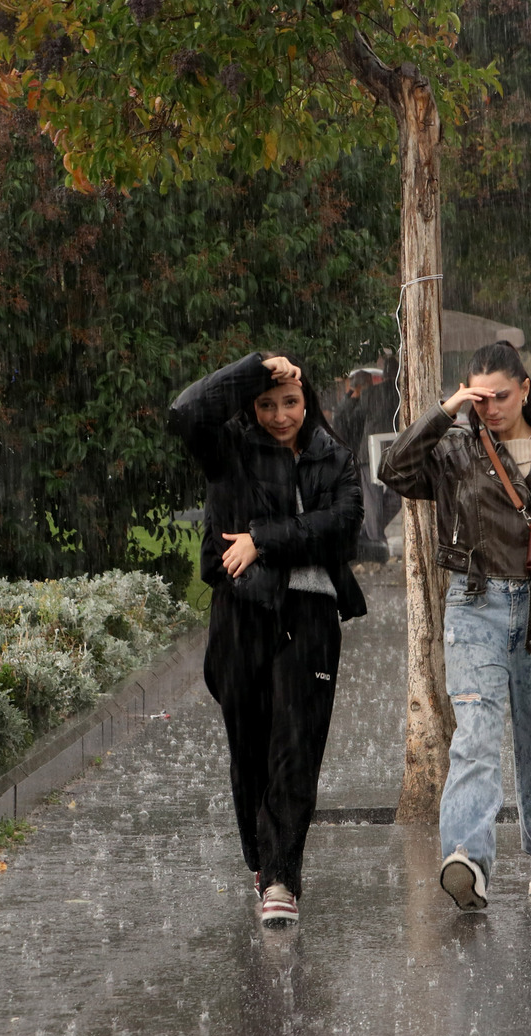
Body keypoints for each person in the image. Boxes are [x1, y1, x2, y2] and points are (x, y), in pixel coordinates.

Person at [380, 341, 531, 910]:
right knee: (475, 738)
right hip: (476, 601)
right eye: (479, 397)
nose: (489, 407)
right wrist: (444, 411)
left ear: (526, 390)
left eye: (500, 396)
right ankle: (467, 857)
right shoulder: (454, 450)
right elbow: (394, 469)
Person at [169, 352, 367, 928]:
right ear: (250, 405)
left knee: (296, 747)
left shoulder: (333, 456)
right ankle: (262, 858)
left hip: (310, 616)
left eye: (291, 403)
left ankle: (282, 876)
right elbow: (185, 412)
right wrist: (253, 367)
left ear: (309, 402)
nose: (281, 416)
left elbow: (342, 527)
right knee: (250, 748)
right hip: (242, 615)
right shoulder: (229, 450)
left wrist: (261, 538)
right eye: (267, 403)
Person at [354, 355, 404, 562]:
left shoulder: (370, 393)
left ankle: (374, 537)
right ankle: (373, 535)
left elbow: (356, 417)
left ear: (384, 374)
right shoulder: (404, 395)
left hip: (369, 450)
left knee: (372, 498)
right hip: (395, 450)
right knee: (398, 495)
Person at [332, 369, 372, 461]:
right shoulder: (356, 406)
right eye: (369, 385)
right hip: (356, 452)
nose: (371, 388)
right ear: (360, 387)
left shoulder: (344, 405)